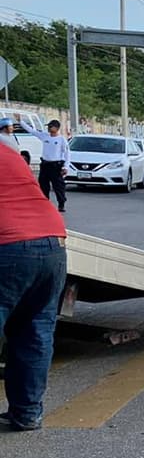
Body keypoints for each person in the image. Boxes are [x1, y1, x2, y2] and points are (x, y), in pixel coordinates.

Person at [0, 137, 69, 430]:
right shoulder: (8, 150)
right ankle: (27, 413)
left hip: (8, 245)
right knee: (36, 331)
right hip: (53, 243)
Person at [28, 118, 70, 212]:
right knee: (43, 185)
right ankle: (45, 203)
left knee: (58, 186)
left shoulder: (61, 139)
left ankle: (61, 204)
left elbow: (67, 154)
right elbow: (32, 131)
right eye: (49, 126)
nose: (49, 128)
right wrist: (20, 121)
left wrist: (66, 167)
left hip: (56, 165)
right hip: (45, 164)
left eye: (51, 126)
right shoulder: (44, 136)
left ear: (56, 128)